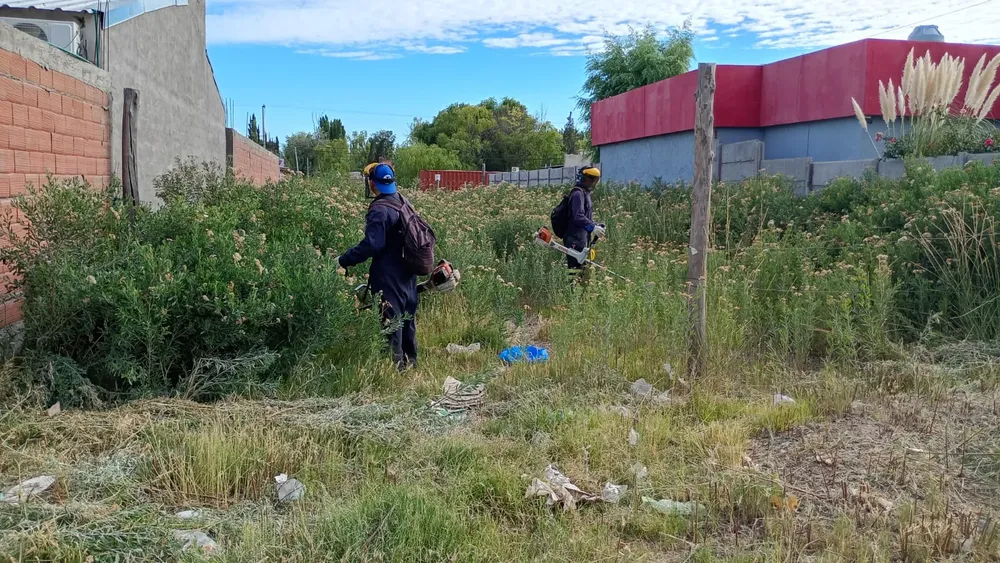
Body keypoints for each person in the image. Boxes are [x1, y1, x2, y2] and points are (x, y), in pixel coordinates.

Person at [338, 163, 419, 371]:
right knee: (407, 317)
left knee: (391, 321)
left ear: (372, 183)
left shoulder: (379, 209)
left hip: (388, 273)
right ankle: (412, 363)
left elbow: (373, 244)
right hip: (408, 270)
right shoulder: (402, 201)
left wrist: (344, 259)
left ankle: (394, 370)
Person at [563, 166, 604, 283]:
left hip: (581, 236)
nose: (596, 183)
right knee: (574, 268)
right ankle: (573, 292)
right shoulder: (577, 194)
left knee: (582, 267)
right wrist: (592, 227)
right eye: (595, 180)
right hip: (574, 237)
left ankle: (579, 291)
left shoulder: (585, 193)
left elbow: (584, 216)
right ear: (588, 179)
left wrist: (595, 225)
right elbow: (578, 216)